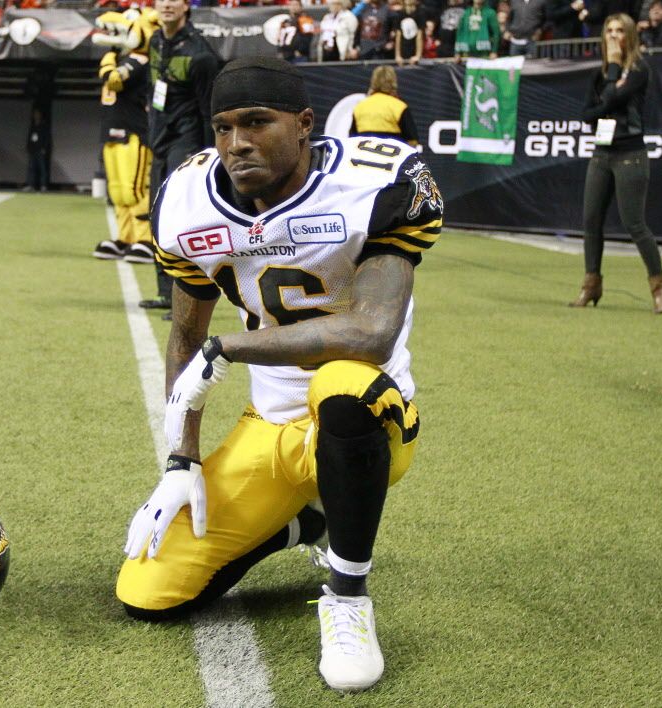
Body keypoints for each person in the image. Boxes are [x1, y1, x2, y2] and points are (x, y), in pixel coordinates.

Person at [117, 56, 443, 693]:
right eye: (222, 127)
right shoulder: (188, 200)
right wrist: (180, 462)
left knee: (342, 386)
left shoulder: (373, 181)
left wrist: (230, 350)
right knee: (148, 590)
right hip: (269, 426)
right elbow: (185, 334)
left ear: (303, 125)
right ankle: (303, 524)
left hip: (370, 419)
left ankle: (348, 598)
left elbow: (371, 333)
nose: (236, 144)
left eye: (256, 123)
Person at [574, 13, 662, 313]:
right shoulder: (599, 73)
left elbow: (612, 100)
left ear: (629, 35)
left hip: (630, 155)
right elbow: (587, 114)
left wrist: (614, 71)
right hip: (601, 154)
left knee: (634, 223)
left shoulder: (640, 69)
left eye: (619, 31)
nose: (613, 36)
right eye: (609, 31)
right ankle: (592, 284)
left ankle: (659, 285)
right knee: (591, 222)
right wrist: (606, 97)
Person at [139, 0, 219, 314]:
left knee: (181, 222)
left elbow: (208, 112)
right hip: (159, 139)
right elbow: (152, 88)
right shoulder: (156, 40)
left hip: (186, 144)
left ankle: (189, 298)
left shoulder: (201, 54)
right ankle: (164, 292)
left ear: (186, 6)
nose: (167, 4)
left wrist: (206, 159)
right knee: (156, 217)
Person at [91, 8, 159, 263]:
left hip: (134, 132)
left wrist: (109, 55)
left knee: (135, 189)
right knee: (118, 191)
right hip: (112, 130)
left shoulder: (139, 60)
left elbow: (114, 79)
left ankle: (145, 239)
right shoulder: (125, 58)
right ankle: (125, 237)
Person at [350, 66, 420, 146]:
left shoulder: (359, 107)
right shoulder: (399, 107)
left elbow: (352, 139)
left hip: (364, 156)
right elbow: (412, 141)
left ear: (373, 82)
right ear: (393, 82)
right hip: (391, 156)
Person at [24, 107, 51, 192]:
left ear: (40, 115)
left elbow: (47, 138)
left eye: (37, 114)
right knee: (31, 168)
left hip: (40, 150)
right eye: (34, 114)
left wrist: (44, 148)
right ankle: (30, 185)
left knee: (42, 168)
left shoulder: (43, 125)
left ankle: (43, 185)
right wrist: (28, 147)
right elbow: (30, 137)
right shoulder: (32, 125)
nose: (36, 115)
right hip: (33, 150)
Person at [394, 0, 426, 64]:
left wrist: (417, 55)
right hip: (403, 51)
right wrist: (397, 55)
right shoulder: (399, 14)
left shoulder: (420, 13)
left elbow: (419, 37)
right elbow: (398, 36)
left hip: (414, 51)